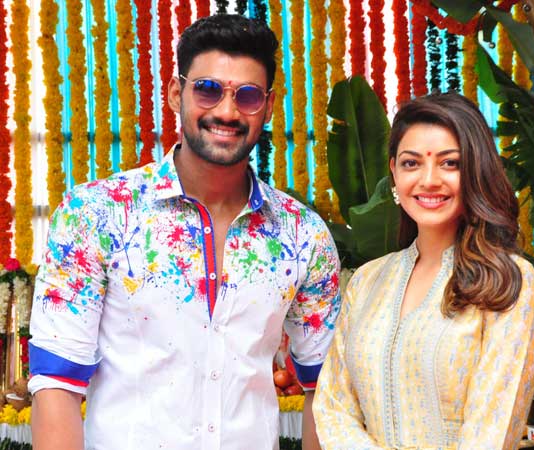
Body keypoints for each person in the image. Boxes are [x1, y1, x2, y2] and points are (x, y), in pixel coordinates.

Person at [28, 14, 340, 450]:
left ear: (268, 107)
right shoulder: (98, 214)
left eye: (248, 96)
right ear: (177, 93)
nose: (227, 112)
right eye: (208, 90)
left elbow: (325, 389)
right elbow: (56, 384)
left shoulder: (302, 234)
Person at [313, 92, 534, 450]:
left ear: (475, 171)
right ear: (394, 172)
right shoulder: (367, 280)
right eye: (411, 163)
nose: (428, 180)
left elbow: (492, 430)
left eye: (449, 163)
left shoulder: (508, 281)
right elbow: (333, 405)